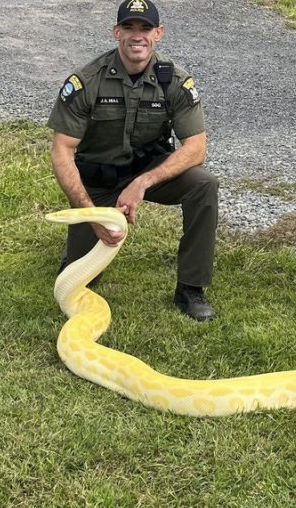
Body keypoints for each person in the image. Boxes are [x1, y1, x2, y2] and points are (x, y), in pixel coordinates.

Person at [47, 0, 218, 322]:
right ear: (116, 32)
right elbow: (62, 150)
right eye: (129, 27)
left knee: (204, 185)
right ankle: (78, 247)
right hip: (98, 182)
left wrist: (142, 183)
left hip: (147, 173)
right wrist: (91, 213)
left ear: (159, 34)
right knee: (78, 281)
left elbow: (196, 148)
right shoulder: (87, 81)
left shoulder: (175, 82)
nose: (137, 36)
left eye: (145, 29)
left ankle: (191, 289)